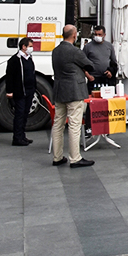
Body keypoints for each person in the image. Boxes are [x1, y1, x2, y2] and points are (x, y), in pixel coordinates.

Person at [51, 25, 96, 168]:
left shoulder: (55, 51)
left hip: (59, 90)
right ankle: (75, 158)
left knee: (58, 124)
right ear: (74, 35)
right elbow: (90, 66)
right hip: (74, 91)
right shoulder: (75, 51)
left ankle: (57, 157)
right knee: (74, 125)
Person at [83, 25, 118, 136]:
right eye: (96, 34)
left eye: (100, 35)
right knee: (91, 103)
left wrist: (111, 72)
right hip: (93, 78)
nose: (97, 36)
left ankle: (105, 127)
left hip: (105, 79)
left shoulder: (109, 46)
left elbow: (113, 62)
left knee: (106, 103)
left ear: (104, 35)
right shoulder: (88, 47)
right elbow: (82, 64)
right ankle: (88, 127)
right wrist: (88, 76)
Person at [5, 36, 36, 146]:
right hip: (20, 91)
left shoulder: (29, 58)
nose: (32, 48)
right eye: (30, 46)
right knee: (19, 114)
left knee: (25, 114)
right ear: (24, 47)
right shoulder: (15, 60)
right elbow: (9, 76)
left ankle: (22, 135)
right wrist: (9, 91)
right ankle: (17, 138)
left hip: (29, 91)